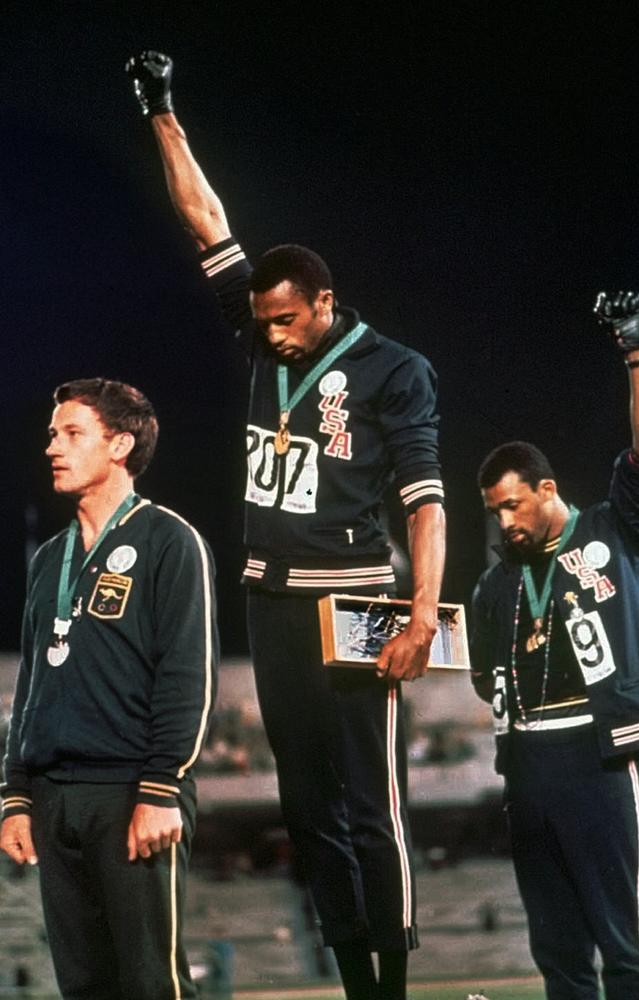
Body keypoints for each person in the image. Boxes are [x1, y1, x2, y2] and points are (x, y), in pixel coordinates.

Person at [125, 51, 446, 1000]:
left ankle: (391, 983)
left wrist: (422, 614)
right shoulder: (260, 327)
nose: (271, 335)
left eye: (288, 321)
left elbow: (425, 500)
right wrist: (162, 112)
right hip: (271, 596)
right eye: (262, 322)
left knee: (370, 802)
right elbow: (207, 224)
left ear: (327, 303)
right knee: (306, 807)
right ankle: (352, 979)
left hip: (361, 598)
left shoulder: (397, 370)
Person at [0, 378, 219, 1000]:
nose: (52, 447)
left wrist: (161, 787)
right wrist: (16, 793)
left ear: (120, 445)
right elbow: (33, 681)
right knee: (84, 986)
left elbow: (187, 677)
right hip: (52, 798)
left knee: (152, 983)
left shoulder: (170, 542)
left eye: (72, 434)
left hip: (131, 794)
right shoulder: (49, 560)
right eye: (51, 434)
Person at [470, 291, 639, 1000]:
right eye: (494, 511)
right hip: (526, 764)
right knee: (558, 949)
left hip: (601, 752)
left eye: (514, 504)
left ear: (548, 488)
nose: (506, 521)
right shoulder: (493, 585)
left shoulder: (612, 529)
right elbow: (486, 679)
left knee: (627, 943)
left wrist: (638, 351)